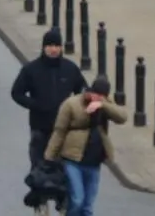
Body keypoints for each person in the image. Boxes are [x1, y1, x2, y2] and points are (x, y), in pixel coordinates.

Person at [44, 76, 128, 216]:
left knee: (87, 207)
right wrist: (49, 156)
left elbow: (122, 117)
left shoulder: (105, 104)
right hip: (73, 160)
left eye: (102, 97)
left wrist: (103, 105)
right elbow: (59, 131)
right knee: (77, 200)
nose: (97, 98)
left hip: (94, 162)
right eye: (96, 95)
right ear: (90, 91)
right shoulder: (71, 104)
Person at [11, 29, 87, 173]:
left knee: (63, 170)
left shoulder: (70, 69)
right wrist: (35, 105)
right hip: (40, 127)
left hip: (64, 129)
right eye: (50, 46)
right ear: (44, 47)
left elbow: (82, 91)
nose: (53, 49)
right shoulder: (31, 69)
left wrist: (76, 110)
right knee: (38, 168)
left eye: (56, 46)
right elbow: (17, 93)